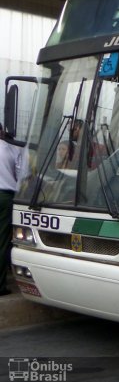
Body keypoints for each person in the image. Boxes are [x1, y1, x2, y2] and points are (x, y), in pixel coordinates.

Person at [0, 123, 24, 296]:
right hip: (5, 197)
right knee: (2, 241)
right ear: (1, 131)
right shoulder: (12, 149)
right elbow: (23, 176)